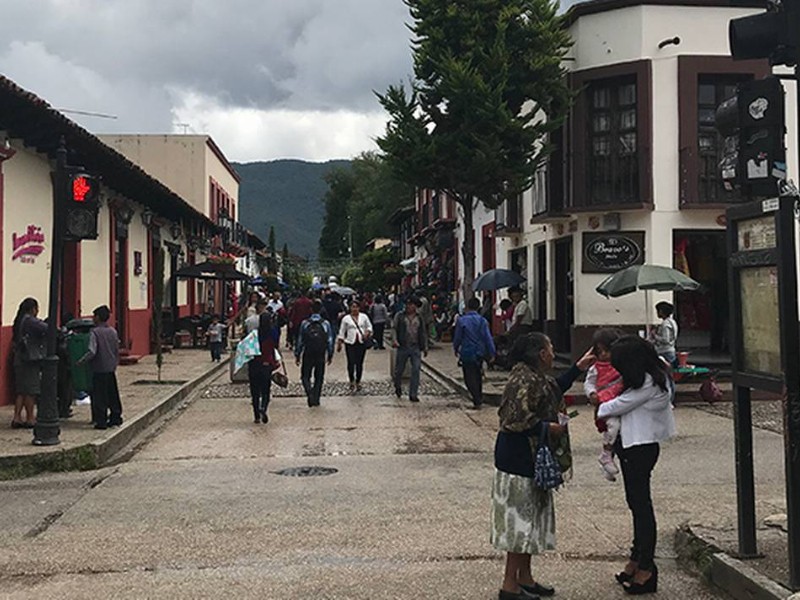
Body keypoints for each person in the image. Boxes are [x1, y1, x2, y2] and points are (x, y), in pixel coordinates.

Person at [492, 333, 595, 599]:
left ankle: (524, 578)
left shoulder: (534, 376)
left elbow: (552, 389)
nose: (552, 353)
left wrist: (578, 368)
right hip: (517, 459)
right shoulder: (523, 380)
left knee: (531, 521)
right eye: (550, 348)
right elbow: (513, 420)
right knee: (519, 523)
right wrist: (547, 427)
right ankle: (509, 585)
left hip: (530, 457)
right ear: (541, 353)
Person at [594, 335, 676, 594]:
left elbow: (610, 407)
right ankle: (636, 559)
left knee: (641, 507)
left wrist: (601, 403)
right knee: (635, 504)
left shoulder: (650, 383)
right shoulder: (644, 378)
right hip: (631, 447)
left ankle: (647, 568)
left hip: (639, 448)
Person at [584, 328, 625, 481]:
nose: (603, 355)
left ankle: (608, 463)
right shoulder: (596, 368)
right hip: (605, 403)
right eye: (599, 351)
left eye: (607, 351)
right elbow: (589, 383)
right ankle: (606, 454)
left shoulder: (621, 364)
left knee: (615, 432)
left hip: (618, 401)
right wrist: (592, 394)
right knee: (613, 426)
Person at [79, 306, 122, 430]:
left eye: (94, 316)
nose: (93, 318)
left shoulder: (95, 332)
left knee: (100, 396)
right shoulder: (113, 331)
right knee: (112, 394)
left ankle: (101, 421)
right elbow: (116, 349)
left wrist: (82, 361)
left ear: (98, 317)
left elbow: (92, 351)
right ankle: (115, 417)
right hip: (110, 368)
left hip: (99, 368)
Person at [453, 297, 496, 409]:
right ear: (478, 307)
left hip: (467, 352)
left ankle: (476, 397)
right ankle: (478, 397)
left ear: (467, 307)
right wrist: (492, 353)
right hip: (479, 353)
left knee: (469, 376)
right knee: (477, 375)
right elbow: (488, 338)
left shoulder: (462, 321)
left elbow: (457, 337)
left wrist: (456, 348)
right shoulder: (483, 321)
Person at [10, 298, 47, 428]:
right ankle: (30, 418)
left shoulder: (19, 320)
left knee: (21, 390)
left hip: (19, 359)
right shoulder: (30, 321)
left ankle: (17, 417)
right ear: (33, 309)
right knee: (30, 390)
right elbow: (46, 328)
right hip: (29, 360)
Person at [295, 300, 335, 407]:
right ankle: (316, 398)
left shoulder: (305, 323)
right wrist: (330, 353)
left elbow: (300, 341)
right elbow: (330, 340)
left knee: (305, 376)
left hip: (308, 352)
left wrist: (297, 354)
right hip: (320, 353)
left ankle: (309, 392)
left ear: (311, 309)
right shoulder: (325, 324)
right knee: (319, 377)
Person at [248, 309, 282, 424]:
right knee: (265, 391)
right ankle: (263, 408)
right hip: (266, 365)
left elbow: (247, 348)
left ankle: (256, 415)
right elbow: (275, 347)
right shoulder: (272, 333)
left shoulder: (254, 334)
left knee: (255, 391)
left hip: (254, 365)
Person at [392, 297, 428, 403]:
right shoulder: (400, 316)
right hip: (403, 346)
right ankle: (397, 386)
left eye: (412, 305)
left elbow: (423, 332)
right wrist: (394, 340)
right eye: (408, 305)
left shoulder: (419, 318)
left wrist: (425, 346)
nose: (409, 307)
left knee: (416, 369)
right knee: (399, 370)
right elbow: (394, 328)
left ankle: (413, 394)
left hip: (415, 346)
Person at [337, 301, 373, 393]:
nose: (354, 309)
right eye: (353, 307)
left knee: (359, 363)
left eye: (356, 307)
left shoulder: (364, 317)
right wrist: (340, 342)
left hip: (361, 342)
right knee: (351, 362)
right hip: (350, 343)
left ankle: (358, 380)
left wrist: (367, 332)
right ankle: (351, 380)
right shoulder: (346, 319)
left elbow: (369, 327)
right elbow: (342, 331)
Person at [649, 301, 679, 366]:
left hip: (664, 352)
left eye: (658, 311)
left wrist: (655, 335)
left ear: (661, 312)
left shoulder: (665, 324)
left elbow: (665, 340)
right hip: (670, 350)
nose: (657, 313)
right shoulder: (672, 322)